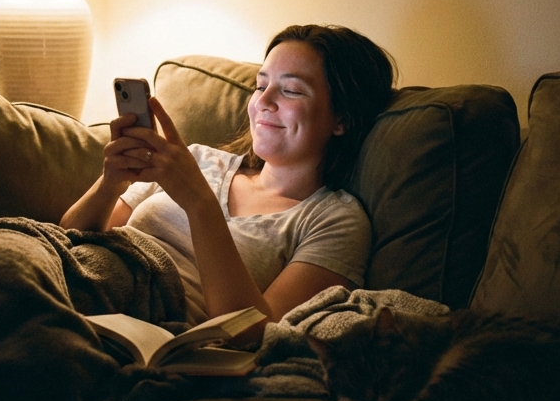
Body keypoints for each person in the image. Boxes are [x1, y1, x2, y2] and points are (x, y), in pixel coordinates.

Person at [61, 25, 395, 325]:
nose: (263, 101)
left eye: (291, 90)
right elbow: (68, 239)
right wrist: (111, 183)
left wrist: (199, 203)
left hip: (133, 314)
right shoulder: (196, 160)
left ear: (342, 119)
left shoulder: (335, 220)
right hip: (74, 275)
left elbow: (254, 332)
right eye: (260, 85)